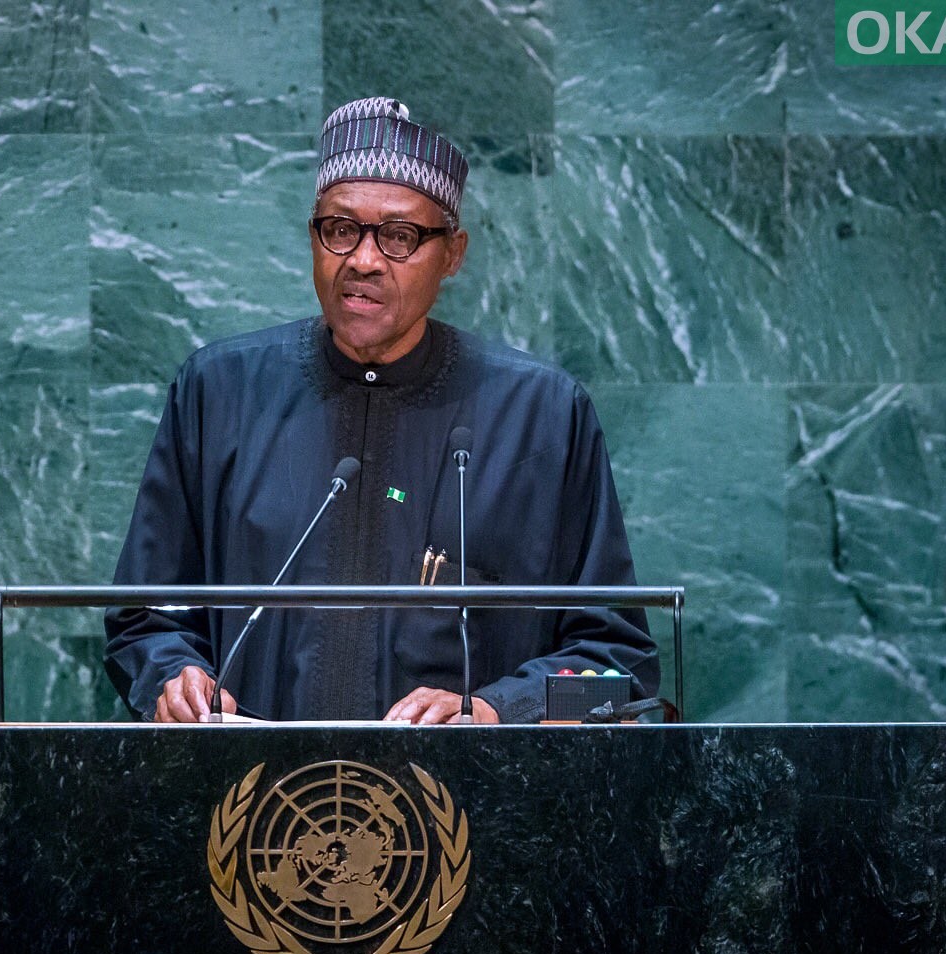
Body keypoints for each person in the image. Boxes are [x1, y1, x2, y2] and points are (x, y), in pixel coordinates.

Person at [104, 97, 658, 724]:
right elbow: (141, 622)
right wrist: (173, 679)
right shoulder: (218, 393)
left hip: (469, 812)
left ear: (453, 254)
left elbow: (621, 675)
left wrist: (497, 710)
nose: (363, 260)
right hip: (254, 808)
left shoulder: (543, 416)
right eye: (341, 230)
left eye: (399, 237)